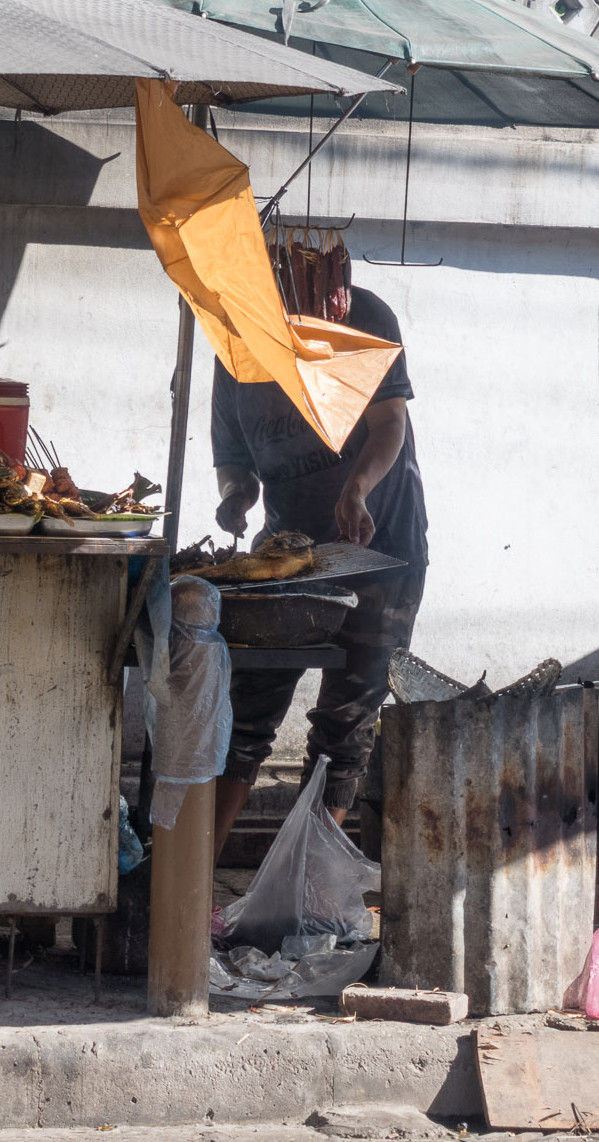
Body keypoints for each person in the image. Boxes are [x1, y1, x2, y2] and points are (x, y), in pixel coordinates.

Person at [210, 283, 428, 848]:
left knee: (345, 725)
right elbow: (234, 460)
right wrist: (235, 496)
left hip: (382, 548)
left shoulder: (358, 314)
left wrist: (356, 488)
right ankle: (192, 884)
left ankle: (301, 891)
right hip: (290, 556)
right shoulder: (234, 345)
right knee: (245, 715)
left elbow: (389, 425)